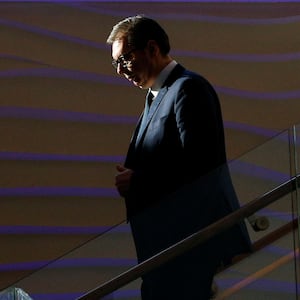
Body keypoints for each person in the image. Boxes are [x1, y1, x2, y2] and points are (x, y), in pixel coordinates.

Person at [107, 15, 252, 300]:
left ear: (152, 48)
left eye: (125, 59)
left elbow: (201, 164)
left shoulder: (187, 88)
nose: (121, 71)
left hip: (187, 244)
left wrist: (139, 180)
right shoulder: (157, 95)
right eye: (116, 64)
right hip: (166, 247)